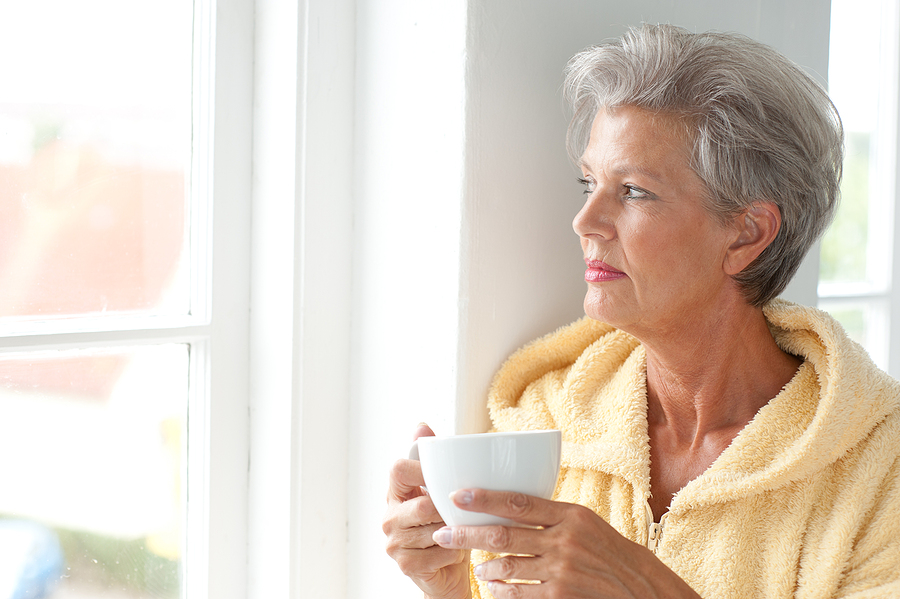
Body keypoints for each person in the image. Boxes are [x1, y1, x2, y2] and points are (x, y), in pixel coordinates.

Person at [382, 24, 900, 599]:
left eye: (633, 191)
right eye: (589, 184)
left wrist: (649, 589)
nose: (585, 222)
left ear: (746, 234)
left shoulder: (879, 468)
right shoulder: (543, 423)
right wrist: (451, 586)